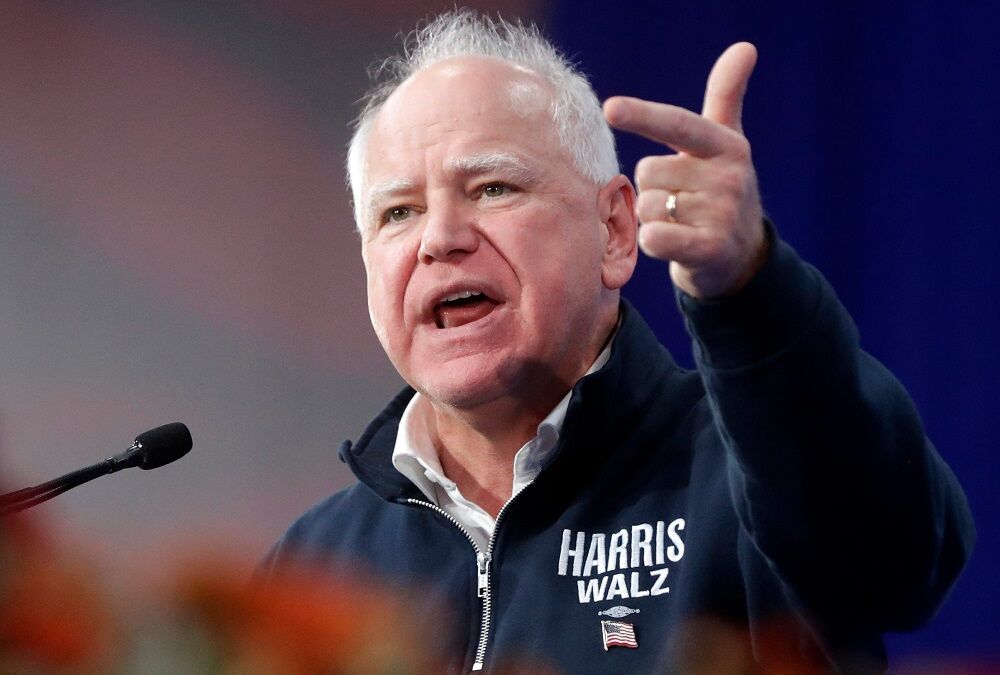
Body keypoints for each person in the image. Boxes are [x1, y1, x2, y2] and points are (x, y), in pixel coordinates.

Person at [264, 10, 974, 673]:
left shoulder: (752, 466)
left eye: (492, 188)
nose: (441, 238)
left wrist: (749, 289)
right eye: (398, 211)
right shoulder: (315, 567)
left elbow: (897, 567)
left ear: (614, 231)